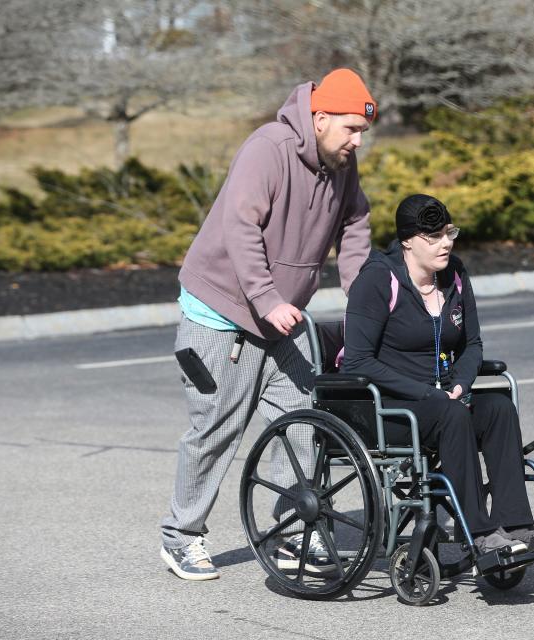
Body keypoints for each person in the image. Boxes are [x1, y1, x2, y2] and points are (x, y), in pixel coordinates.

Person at [160, 69, 377, 580]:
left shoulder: (342, 165)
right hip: (222, 313)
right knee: (215, 429)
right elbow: (241, 226)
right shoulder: (269, 148)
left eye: (363, 130)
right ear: (320, 119)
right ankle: (181, 536)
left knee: (301, 423)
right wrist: (264, 296)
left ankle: (291, 533)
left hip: (284, 316)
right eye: (350, 128)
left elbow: (355, 222)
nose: (358, 140)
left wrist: (361, 292)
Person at [342, 194, 534, 554]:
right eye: (434, 236)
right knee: (453, 414)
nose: (446, 243)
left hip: (445, 399)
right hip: (392, 408)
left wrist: (460, 381)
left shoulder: (455, 274)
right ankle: (480, 534)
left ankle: (517, 525)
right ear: (408, 240)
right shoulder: (378, 281)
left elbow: (473, 343)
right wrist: (429, 393)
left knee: (497, 409)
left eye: (449, 233)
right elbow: (358, 362)